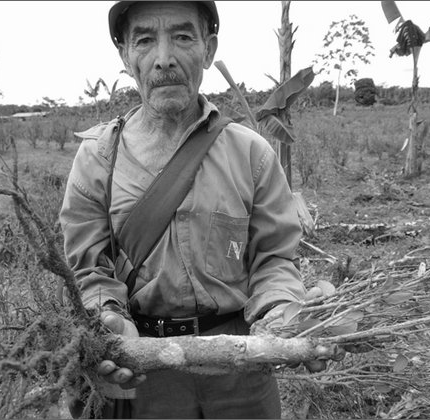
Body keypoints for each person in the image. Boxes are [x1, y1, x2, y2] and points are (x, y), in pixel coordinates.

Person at [59, 1, 339, 418]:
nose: (164, 59)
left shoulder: (251, 154)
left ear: (208, 50)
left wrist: (285, 314)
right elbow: (88, 271)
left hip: (241, 368)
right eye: (145, 40)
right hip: (142, 367)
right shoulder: (98, 159)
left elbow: (274, 259)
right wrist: (109, 327)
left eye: (183, 37)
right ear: (125, 56)